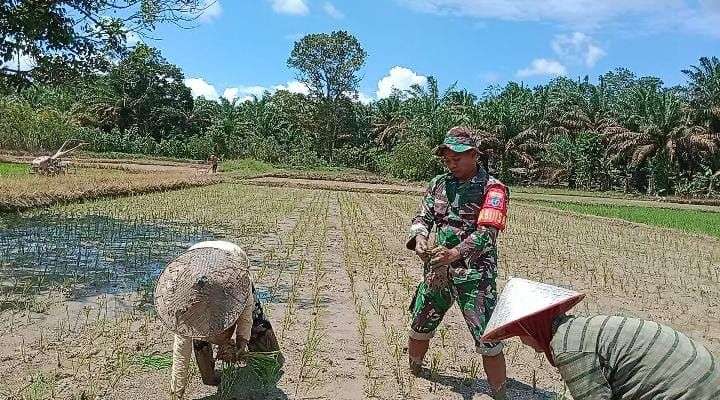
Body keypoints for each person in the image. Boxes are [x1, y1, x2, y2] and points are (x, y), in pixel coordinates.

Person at [482, 277, 720, 400]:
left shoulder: (569, 348)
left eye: (520, 335)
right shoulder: (582, 328)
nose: (525, 343)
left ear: (532, 328)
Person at [406, 126, 510, 399]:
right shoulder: (438, 184)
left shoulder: (493, 189)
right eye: (447, 160)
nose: (451, 164)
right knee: (420, 322)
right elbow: (422, 217)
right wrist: (420, 237)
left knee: (488, 337)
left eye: (457, 159)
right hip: (438, 270)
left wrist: (455, 254)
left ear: (474, 155)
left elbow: (487, 233)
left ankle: (500, 393)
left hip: (475, 276)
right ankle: (413, 375)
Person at [154, 241, 282, 399]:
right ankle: (209, 375)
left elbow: (246, 316)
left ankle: (272, 358)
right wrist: (176, 393)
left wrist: (241, 342)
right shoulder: (185, 309)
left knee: (257, 320)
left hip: (233, 258)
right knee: (197, 331)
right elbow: (181, 352)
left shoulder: (237, 285)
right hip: (194, 266)